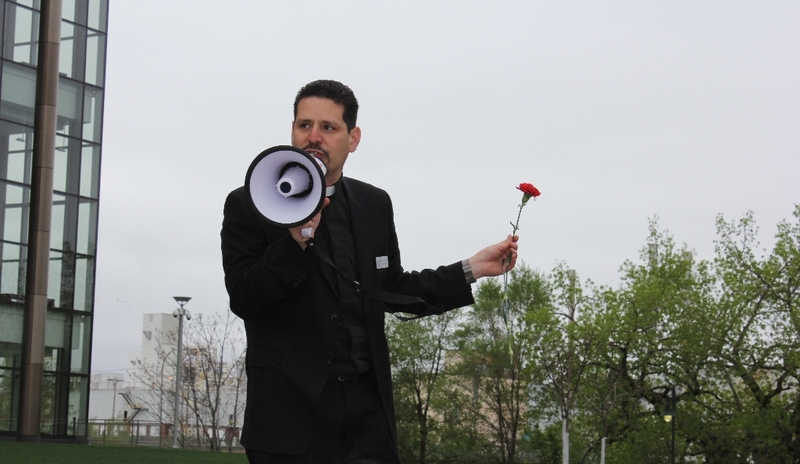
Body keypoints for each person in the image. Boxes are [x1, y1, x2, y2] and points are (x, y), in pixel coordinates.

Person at [221, 80, 519, 464]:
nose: (313, 137)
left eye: (328, 128)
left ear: (353, 138)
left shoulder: (373, 204)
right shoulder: (250, 203)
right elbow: (244, 297)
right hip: (290, 418)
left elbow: (392, 287)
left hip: (367, 418)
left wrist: (472, 268)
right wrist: (293, 243)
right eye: (303, 125)